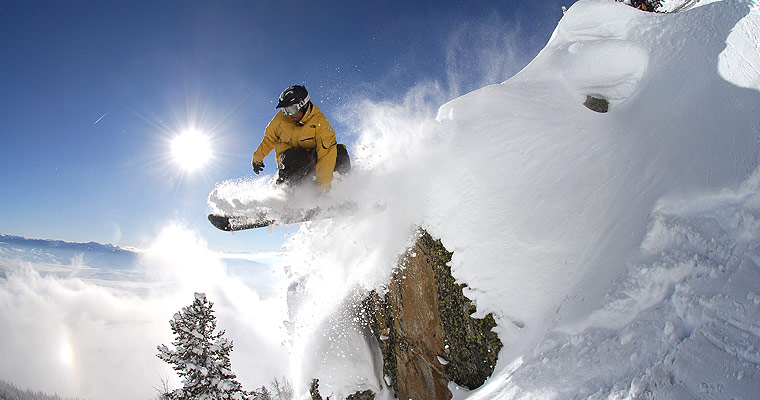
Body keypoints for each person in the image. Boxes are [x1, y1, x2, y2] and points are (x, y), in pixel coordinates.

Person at [251, 85, 350, 193]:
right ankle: (290, 193)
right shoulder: (280, 120)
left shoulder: (320, 122)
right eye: (285, 110)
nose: (288, 114)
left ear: (303, 105)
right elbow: (269, 139)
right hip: (291, 161)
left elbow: (326, 154)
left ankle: (341, 192)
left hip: (313, 161)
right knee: (298, 155)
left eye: (291, 109)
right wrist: (257, 158)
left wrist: (324, 189)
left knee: (339, 152)